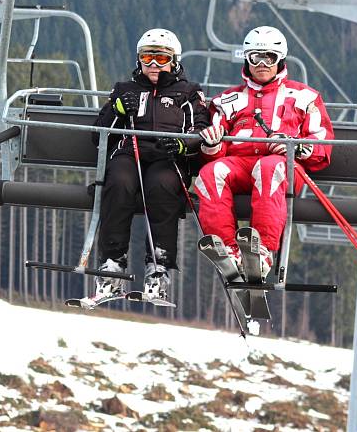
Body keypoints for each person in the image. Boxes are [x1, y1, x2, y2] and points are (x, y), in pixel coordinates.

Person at [194, 26, 334, 280]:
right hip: (239, 164)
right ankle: (229, 249)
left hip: (283, 166)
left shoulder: (304, 97)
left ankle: (263, 251)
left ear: (280, 59)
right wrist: (211, 147)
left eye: (269, 57)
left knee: (269, 167)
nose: (262, 64)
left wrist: (297, 146)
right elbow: (216, 149)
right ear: (246, 59)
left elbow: (322, 140)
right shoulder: (227, 100)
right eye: (255, 57)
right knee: (210, 172)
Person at [92, 28, 209, 300]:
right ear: (138, 60)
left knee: (162, 185)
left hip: (167, 157)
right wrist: (117, 110)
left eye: (162, 58)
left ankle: (159, 266)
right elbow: (98, 137)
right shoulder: (125, 90)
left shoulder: (188, 93)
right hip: (129, 153)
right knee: (119, 181)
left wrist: (182, 145)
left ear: (174, 61)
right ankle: (112, 263)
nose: (154, 65)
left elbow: (200, 131)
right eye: (147, 58)